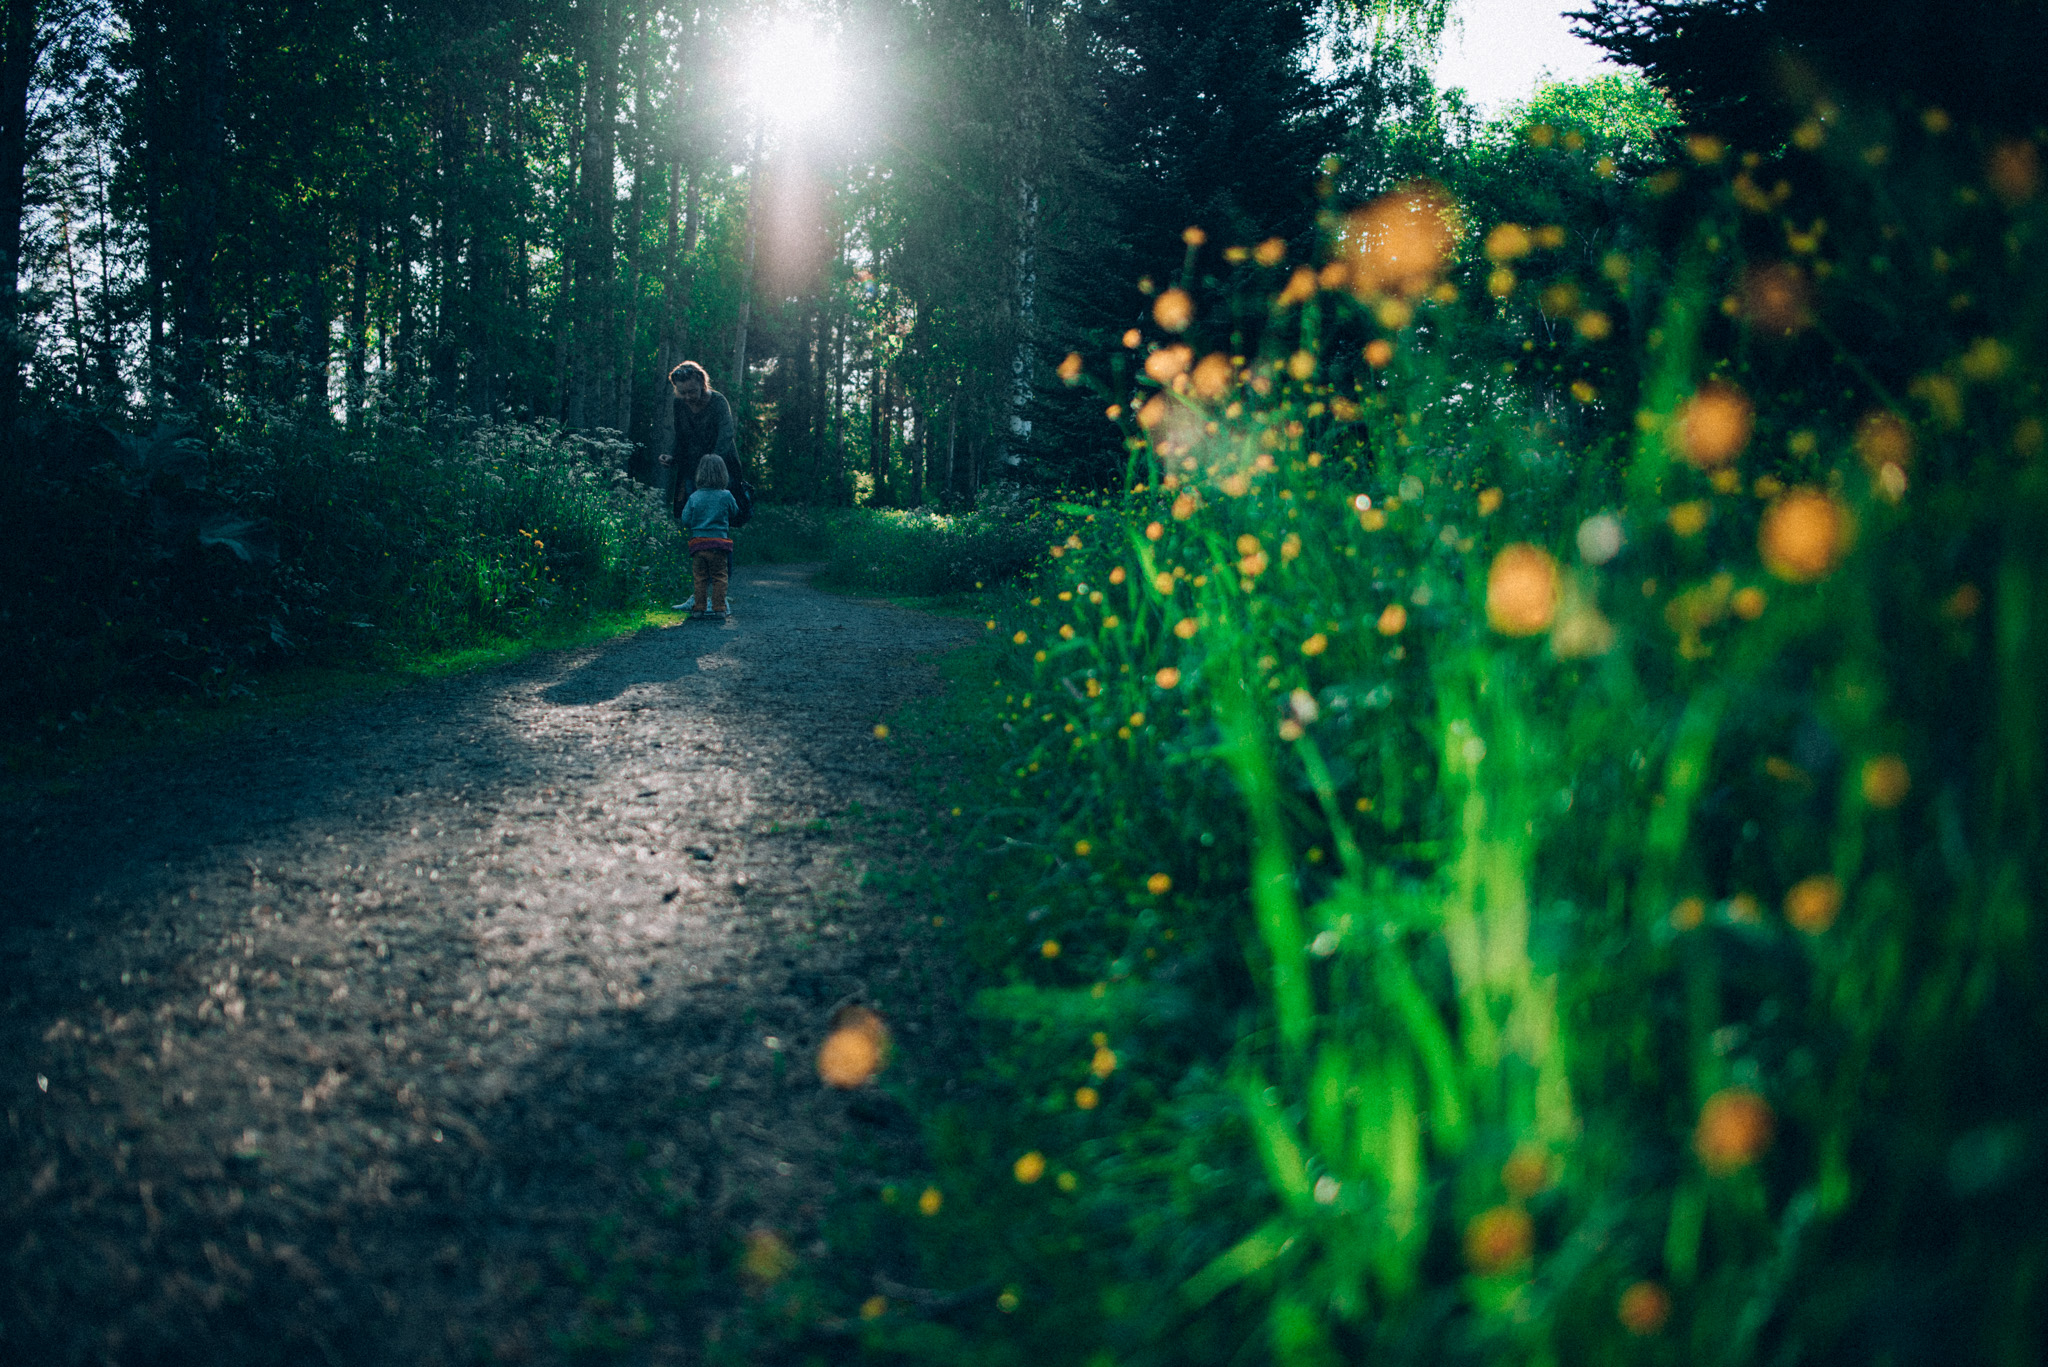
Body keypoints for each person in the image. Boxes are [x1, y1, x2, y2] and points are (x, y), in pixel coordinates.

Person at [678, 454, 739, 619]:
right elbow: (735, 512)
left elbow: (685, 519)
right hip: (719, 544)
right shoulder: (726, 495)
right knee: (720, 576)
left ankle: (699, 608)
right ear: (723, 474)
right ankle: (719, 607)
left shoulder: (695, 497)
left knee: (700, 577)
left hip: (698, 544)